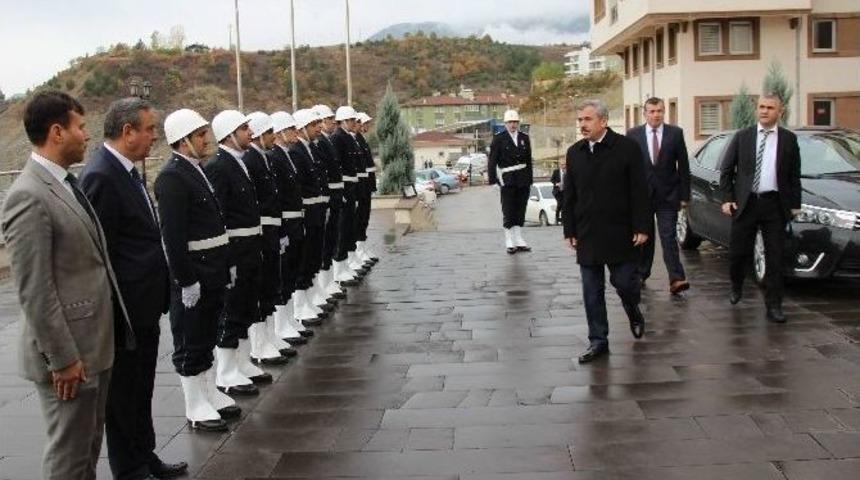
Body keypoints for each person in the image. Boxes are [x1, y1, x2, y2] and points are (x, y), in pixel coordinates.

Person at [2, 90, 134, 480]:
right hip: (69, 356)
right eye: (80, 126)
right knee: (69, 459)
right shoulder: (28, 195)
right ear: (57, 132)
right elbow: (34, 290)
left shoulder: (64, 184)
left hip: (92, 346)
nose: (87, 134)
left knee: (87, 451)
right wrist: (62, 359)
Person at [78, 99, 184, 479]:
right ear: (127, 133)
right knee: (123, 396)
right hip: (123, 312)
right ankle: (129, 468)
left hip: (144, 306)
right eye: (150, 129)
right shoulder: (101, 176)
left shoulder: (127, 172)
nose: (155, 136)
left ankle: (145, 455)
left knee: (141, 389)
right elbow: (98, 255)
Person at [155, 109, 238, 433]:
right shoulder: (171, 177)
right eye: (201, 135)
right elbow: (173, 238)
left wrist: (227, 261)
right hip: (196, 272)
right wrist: (186, 280)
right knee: (190, 336)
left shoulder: (196, 170)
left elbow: (216, 223)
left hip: (214, 267)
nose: (207, 140)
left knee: (207, 332)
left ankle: (207, 392)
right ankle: (194, 403)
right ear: (184, 140)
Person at [563, 99, 650, 364]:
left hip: (620, 231)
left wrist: (642, 226)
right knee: (591, 290)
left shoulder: (627, 148)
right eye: (580, 120)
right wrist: (569, 228)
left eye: (587, 120)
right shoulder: (574, 152)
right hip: (587, 232)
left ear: (603, 121)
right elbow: (570, 194)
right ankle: (598, 341)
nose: (582, 125)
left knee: (625, 283)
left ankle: (633, 309)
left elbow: (639, 190)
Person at [719, 93, 801, 323]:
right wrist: (727, 198)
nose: (764, 111)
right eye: (762, 107)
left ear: (779, 112)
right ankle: (736, 285)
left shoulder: (789, 139)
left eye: (770, 108)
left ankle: (774, 305)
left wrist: (795, 204)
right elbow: (726, 171)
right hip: (746, 204)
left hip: (775, 204)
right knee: (738, 253)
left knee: (775, 257)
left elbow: (794, 175)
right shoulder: (743, 137)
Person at [204, 110, 267, 395]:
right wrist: (227, 257)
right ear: (229, 134)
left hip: (251, 245)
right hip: (237, 247)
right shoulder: (219, 165)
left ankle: (241, 361)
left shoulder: (238, 163)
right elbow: (221, 214)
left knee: (246, 305)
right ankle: (227, 371)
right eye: (244, 129)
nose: (250, 133)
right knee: (232, 308)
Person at [626, 97, 691, 294]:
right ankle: (641, 274)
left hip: (668, 195)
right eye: (652, 111)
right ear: (645, 113)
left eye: (660, 111)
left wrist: (684, 195)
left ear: (664, 112)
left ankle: (676, 278)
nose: (656, 115)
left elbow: (684, 166)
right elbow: (627, 167)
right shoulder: (633, 135)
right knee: (645, 238)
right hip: (642, 197)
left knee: (668, 236)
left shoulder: (675, 134)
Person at [243, 112, 292, 365]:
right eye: (270, 133)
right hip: (260, 234)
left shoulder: (263, 157)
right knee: (260, 289)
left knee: (271, 284)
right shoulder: (251, 159)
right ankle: (259, 344)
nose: (274, 137)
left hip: (271, 230)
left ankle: (269, 337)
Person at [269, 111, 314, 343]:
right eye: (290, 130)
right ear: (279, 132)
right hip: (286, 221)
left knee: (294, 269)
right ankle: (282, 323)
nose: (294, 133)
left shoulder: (285, 155)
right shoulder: (276, 157)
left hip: (295, 218)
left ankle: (288, 319)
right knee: (284, 274)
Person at [289, 109, 330, 325]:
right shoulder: (297, 152)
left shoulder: (311, 149)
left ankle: (309, 298)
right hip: (306, 211)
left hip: (317, 209)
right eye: (314, 125)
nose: (319, 128)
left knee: (314, 255)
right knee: (304, 259)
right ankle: (299, 304)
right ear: (302, 127)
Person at [312, 104, 347, 302]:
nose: (331, 122)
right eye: (326, 120)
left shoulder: (325, 141)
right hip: (323, 199)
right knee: (325, 243)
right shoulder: (322, 143)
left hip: (331, 194)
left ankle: (327, 279)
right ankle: (324, 282)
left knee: (332, 237)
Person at [488, 109, 534, 254]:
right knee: (509, 209)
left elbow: (528, 160)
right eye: (510, 122)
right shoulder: (499, 138)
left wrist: (530, 179)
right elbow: (492, 161)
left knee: (521, 209)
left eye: (515, 122)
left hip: (523, 178)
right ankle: (509, 239)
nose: (513, 125)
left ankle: (518, 238)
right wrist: (493, 181)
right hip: (507, 178)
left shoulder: (524, 137)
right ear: (505, 123)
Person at [330, 106, 364, 284]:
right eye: (351, 120)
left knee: (349, 227)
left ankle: (344, 265)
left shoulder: (348, 137)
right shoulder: (338, 138)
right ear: (342, 121)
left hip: (351, 186)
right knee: (342, 229)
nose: (354, 123)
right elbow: (338, 168)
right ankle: (339, 267)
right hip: (345, 187)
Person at [355, 112, 380, 264]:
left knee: (364, 219)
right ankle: (358, 249)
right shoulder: (356, 139)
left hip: (365, 185)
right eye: (364, 123)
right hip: (360, 186)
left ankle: (361, 247)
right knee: (359, 219)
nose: (366, 126)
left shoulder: (361, 139)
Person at [550, 158, 565, 225]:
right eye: (562, 165)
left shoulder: (567, 171)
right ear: (559, 165)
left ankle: (562, 220)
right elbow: (552, 180)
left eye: (564, 164)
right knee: (560, 203)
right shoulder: (556, 171)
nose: (563, 166)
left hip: (565, 191)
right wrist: (557, 183)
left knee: (564, 205)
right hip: (557, 191)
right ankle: (556, 219)